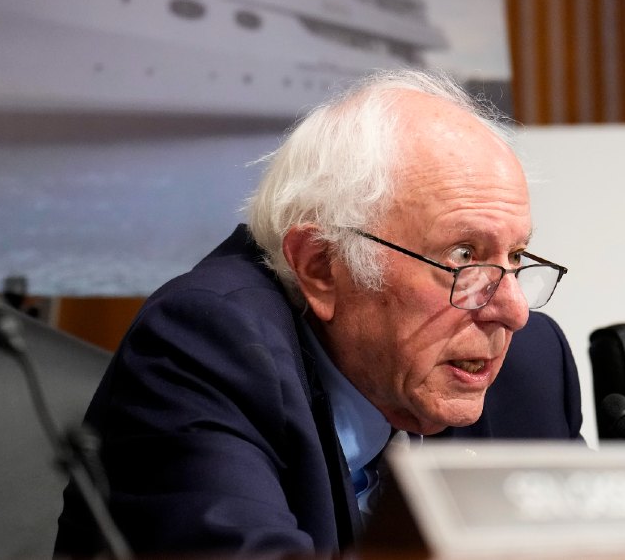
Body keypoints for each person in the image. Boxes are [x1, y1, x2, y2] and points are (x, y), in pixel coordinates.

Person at [55, 69, 582, 558]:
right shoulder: (205, 347)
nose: (512, 310)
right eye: (463, 257)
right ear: (321, 267)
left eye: (514, 258)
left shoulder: (529, 369)